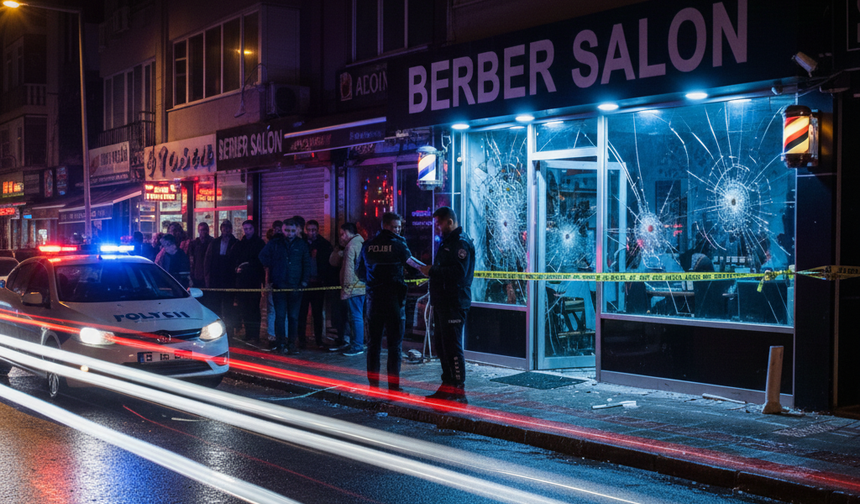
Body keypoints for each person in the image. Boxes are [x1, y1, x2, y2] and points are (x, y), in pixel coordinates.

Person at [419, 206, 475, 403]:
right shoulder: (448, 242)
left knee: (452, 347)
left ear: (449, 222)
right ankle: (447, 385)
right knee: (442, 347)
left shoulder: (460, 243)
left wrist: (432, 271)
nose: (436, 228)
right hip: (443, 302)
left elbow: (459, 272)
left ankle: (458, 389)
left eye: (439, 223)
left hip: (454, 302)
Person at [357, 212, 411, 391]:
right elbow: (414, 266)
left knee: (373, 345)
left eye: (398, 227)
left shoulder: (368, 245)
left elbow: (360, 272)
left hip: (373, 300)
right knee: (395, 345)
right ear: (385, 226)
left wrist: (373, 282)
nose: (397, 230)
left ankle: (374, 386)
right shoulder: (399, 245)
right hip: (394, 301)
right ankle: (393, 387)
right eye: (394, 227)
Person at [259, 218, 310, 354]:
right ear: (283, 230)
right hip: (279, 286)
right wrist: (275, 265)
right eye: (287, 230)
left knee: (293, 317)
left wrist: (304, 282)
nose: (290, 233)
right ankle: (280, 343)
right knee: (280, 316)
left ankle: (292, 344)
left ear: (297, 230)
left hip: (295, 287)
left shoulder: (301, 245)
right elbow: (262, 256)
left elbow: (307, 263)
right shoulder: (275, 243)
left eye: (292, 231)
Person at [298, 219, 335, 349]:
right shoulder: (301, 244)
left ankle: (319, 339)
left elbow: (328, 265)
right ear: (305, 230)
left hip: (318, 283)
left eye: (314, 230)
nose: (311, 233)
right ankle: (301, 339)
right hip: (304, 284)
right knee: (301, 313)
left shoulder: (324, 244)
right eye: (309, 230)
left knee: (317, 313)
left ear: (318, 231)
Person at [330, 222, 365, 355]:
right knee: (358, 316)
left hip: (354, 288)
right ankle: (357, 343)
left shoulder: (351, 247)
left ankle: (357, 345)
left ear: (348, 232)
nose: (341, 237)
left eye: (342, 234)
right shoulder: (360, 243)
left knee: (355, 317)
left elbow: (348, 271)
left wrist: (346, 289)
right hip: (360, 286)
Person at [231, 220, 266, 342]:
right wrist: (236, 268)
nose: (247, 231)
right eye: (245, 229)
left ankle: (255, 335)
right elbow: (234, 259)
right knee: (244, 308)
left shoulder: (259, 243)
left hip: (254, 280)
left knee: (254, 309)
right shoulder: (240, 244)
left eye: (249, 228)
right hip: (241, 281)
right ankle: (247, 333)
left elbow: (262, 262)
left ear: (254, 229)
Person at [204, 220, 239, 333]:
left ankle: (229, 332)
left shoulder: (235, 243)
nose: (226, 231)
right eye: (224, 229)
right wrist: (207, 277)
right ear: (221, 230)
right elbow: (208, 260)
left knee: (229, 307)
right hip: (216, 278)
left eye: (228, 229)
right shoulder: (215, 242)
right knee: (216, 306)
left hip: (229, 278)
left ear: (231, 229)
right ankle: (217, 330)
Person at [265, 220, 284, 344]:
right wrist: (266, 281)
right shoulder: (270, 245)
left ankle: (284, 334)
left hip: (283, 281)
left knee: (283, 310)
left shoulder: (285, 243)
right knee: (272, 309)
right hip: (272, 281)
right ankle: (271, 334)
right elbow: (265, 264)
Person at [187, 222, 213, 289]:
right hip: (197, 273)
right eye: (202, 230)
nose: (204, 232)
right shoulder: (194, 243)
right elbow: (191, 258)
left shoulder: (212, 242)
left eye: (205, 230)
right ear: (198, 231)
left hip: (209, 272)